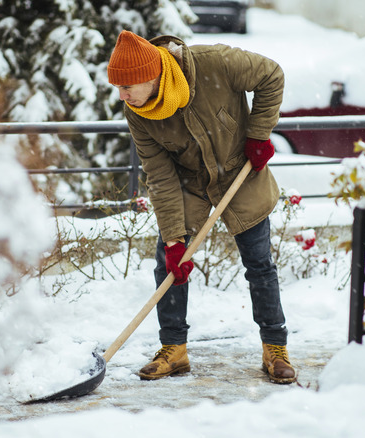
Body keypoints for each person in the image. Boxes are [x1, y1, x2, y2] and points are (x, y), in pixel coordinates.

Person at [106, 30, 295, 384]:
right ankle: (173, 349)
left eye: (127, 86)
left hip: (241, 170)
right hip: (189, 184)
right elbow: (159, 176)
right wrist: (176, 238)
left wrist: (258, 134)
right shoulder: (138, 112)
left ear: (152, 75)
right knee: (169, 262)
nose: (123, 95)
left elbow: (272, 75)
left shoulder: (214, 63)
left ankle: (275, 347)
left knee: (259, 263)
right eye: (118, 87)